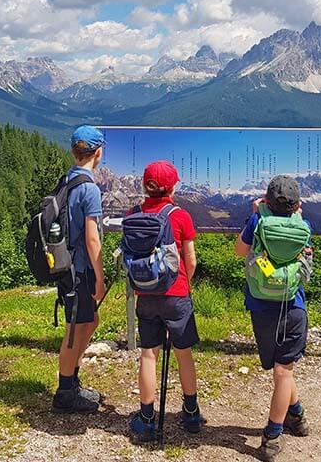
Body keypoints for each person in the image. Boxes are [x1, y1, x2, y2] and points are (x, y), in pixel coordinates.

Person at [234, 175, 311, 461]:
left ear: (266, 201)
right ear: (297, 205)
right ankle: (296, 417)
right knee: (285, 370)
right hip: (293, 307)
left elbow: (239, 251)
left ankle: (273, 436)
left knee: (280, 371)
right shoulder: (303, 226)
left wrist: (255, 215)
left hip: (261, 307)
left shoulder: (257, 222)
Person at [128, 160, 204, 441]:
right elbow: (191, 260)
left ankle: (147, 418)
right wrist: (185, 284)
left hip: (145, 294)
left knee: (149, 353)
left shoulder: (132, 213)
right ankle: (191, 413)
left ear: (145, 186)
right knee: (184, 353)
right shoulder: (180, 215)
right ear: (172, 187)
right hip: (176, 294)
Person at [52, 125, 107, 414]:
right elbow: (92, 237)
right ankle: (65, 392)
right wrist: (100, 276)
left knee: (90, 321)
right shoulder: (89, 189)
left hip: (66, 266)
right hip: (80, 270)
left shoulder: (67, 179)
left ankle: (71, 382)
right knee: (75, 329)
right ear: (98, 152)